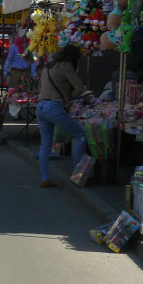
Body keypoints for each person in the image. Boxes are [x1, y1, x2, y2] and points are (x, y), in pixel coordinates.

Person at [36, 43, 90, 188]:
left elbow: (41, 88)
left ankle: (45, 178)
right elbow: (79, 87)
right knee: (81, 135)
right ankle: (76, 175)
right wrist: (69, 97)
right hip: (54, 106)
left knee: (45, 145)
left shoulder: (48, 65)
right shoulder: (66, 66)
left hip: (40, 106)